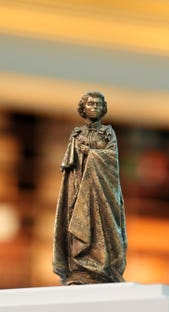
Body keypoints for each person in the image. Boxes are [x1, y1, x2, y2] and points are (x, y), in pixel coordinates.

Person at [53, 91, 127, 285]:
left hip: (102, 191)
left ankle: (101, 268)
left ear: (103, 108)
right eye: (90, 103)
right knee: (79, 223)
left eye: (97, 104)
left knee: (101, 225)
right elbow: (69, 165)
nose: (94, 107)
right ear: (83, 108)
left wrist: (92, 154)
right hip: (79, 189)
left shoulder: (108, 133)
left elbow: (112, 159)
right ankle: (80, 268)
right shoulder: (77, 134)